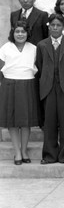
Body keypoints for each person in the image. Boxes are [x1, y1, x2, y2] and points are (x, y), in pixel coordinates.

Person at [36, 14, 64, 164]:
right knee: (49, 123)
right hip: (48, 87)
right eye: (52, 25)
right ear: (49, 26)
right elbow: (40, 66)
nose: (55, 28)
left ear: (63, 27)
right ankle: (49, 155)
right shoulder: (42, 45)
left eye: (58, 25)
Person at [0, 22, 39, 165]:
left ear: (27, 33)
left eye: (23, 31)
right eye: (17, 31)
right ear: (13, 33)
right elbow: (1, 69)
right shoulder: (5, 48)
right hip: (9, 84)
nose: (20, 34)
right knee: (12, 121)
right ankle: (17, 152)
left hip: (27, 84)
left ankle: (24, 151)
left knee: (26, 121)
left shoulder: (34, 48)